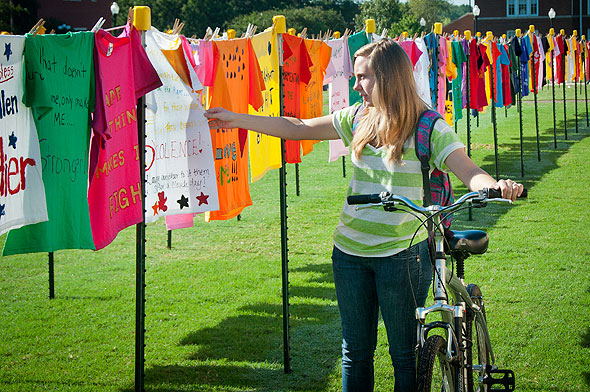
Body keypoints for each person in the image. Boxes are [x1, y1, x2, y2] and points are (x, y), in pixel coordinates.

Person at [205, 38, 524, 391]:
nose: (355, 86)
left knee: (405, 355)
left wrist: (496, 186)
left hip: (403, 256)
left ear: (389, 78)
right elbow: (297, 128)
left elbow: (468, 170)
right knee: (355, 353)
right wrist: (236, 119)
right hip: (349, 254)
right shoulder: (358, 117)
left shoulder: (429, 127)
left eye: (363, 78)